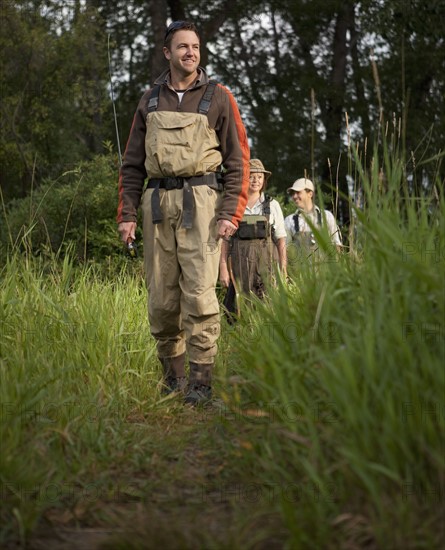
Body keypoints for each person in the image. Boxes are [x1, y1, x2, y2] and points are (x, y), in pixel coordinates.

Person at [116, 21, 250, 405]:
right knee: (161, 297)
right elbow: (132, 165)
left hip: (203, 203)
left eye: (195, 46)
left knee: (201, 296)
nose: (190, 52)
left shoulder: (218, 97)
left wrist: (230, 213)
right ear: (167, 53)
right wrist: (126, 214)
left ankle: (202, 386)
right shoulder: (149, 100)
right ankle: (172, 381)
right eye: (182, 47)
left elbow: (238, 159)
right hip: (156, 204)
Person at [219, 159, 287, 318]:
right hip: (239, 266)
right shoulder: (234, 205)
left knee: (267, 308)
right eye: (251, 176)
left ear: (264, 181)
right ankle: (242, 340)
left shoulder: (272, 205)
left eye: (259, 177)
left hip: (267, 266)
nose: (255, 180)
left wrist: (283, 267)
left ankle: (266, 340)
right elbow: (225, 240)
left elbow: (281, 239)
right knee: (239, 310)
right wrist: (223, 267)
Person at [284, 177, 342, 264]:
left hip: (326, 273)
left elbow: (336, 245)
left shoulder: (326, 216)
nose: (294, 196)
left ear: (310, 193)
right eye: (293, 193)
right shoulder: (289, 220)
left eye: (298, 192)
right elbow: (286, 250)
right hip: (301, 274)